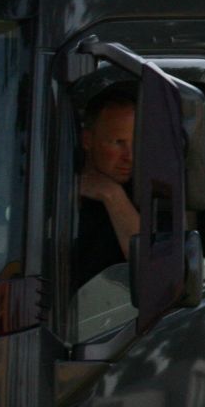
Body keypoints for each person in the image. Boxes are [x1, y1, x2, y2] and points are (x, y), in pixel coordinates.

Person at [72, 83, 141, 290]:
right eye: (118, 142)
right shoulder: (53, 189)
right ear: (87, 140)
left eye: (135, 143)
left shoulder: (150, 193)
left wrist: (112, 195)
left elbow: (152, 268)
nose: (129, 157)